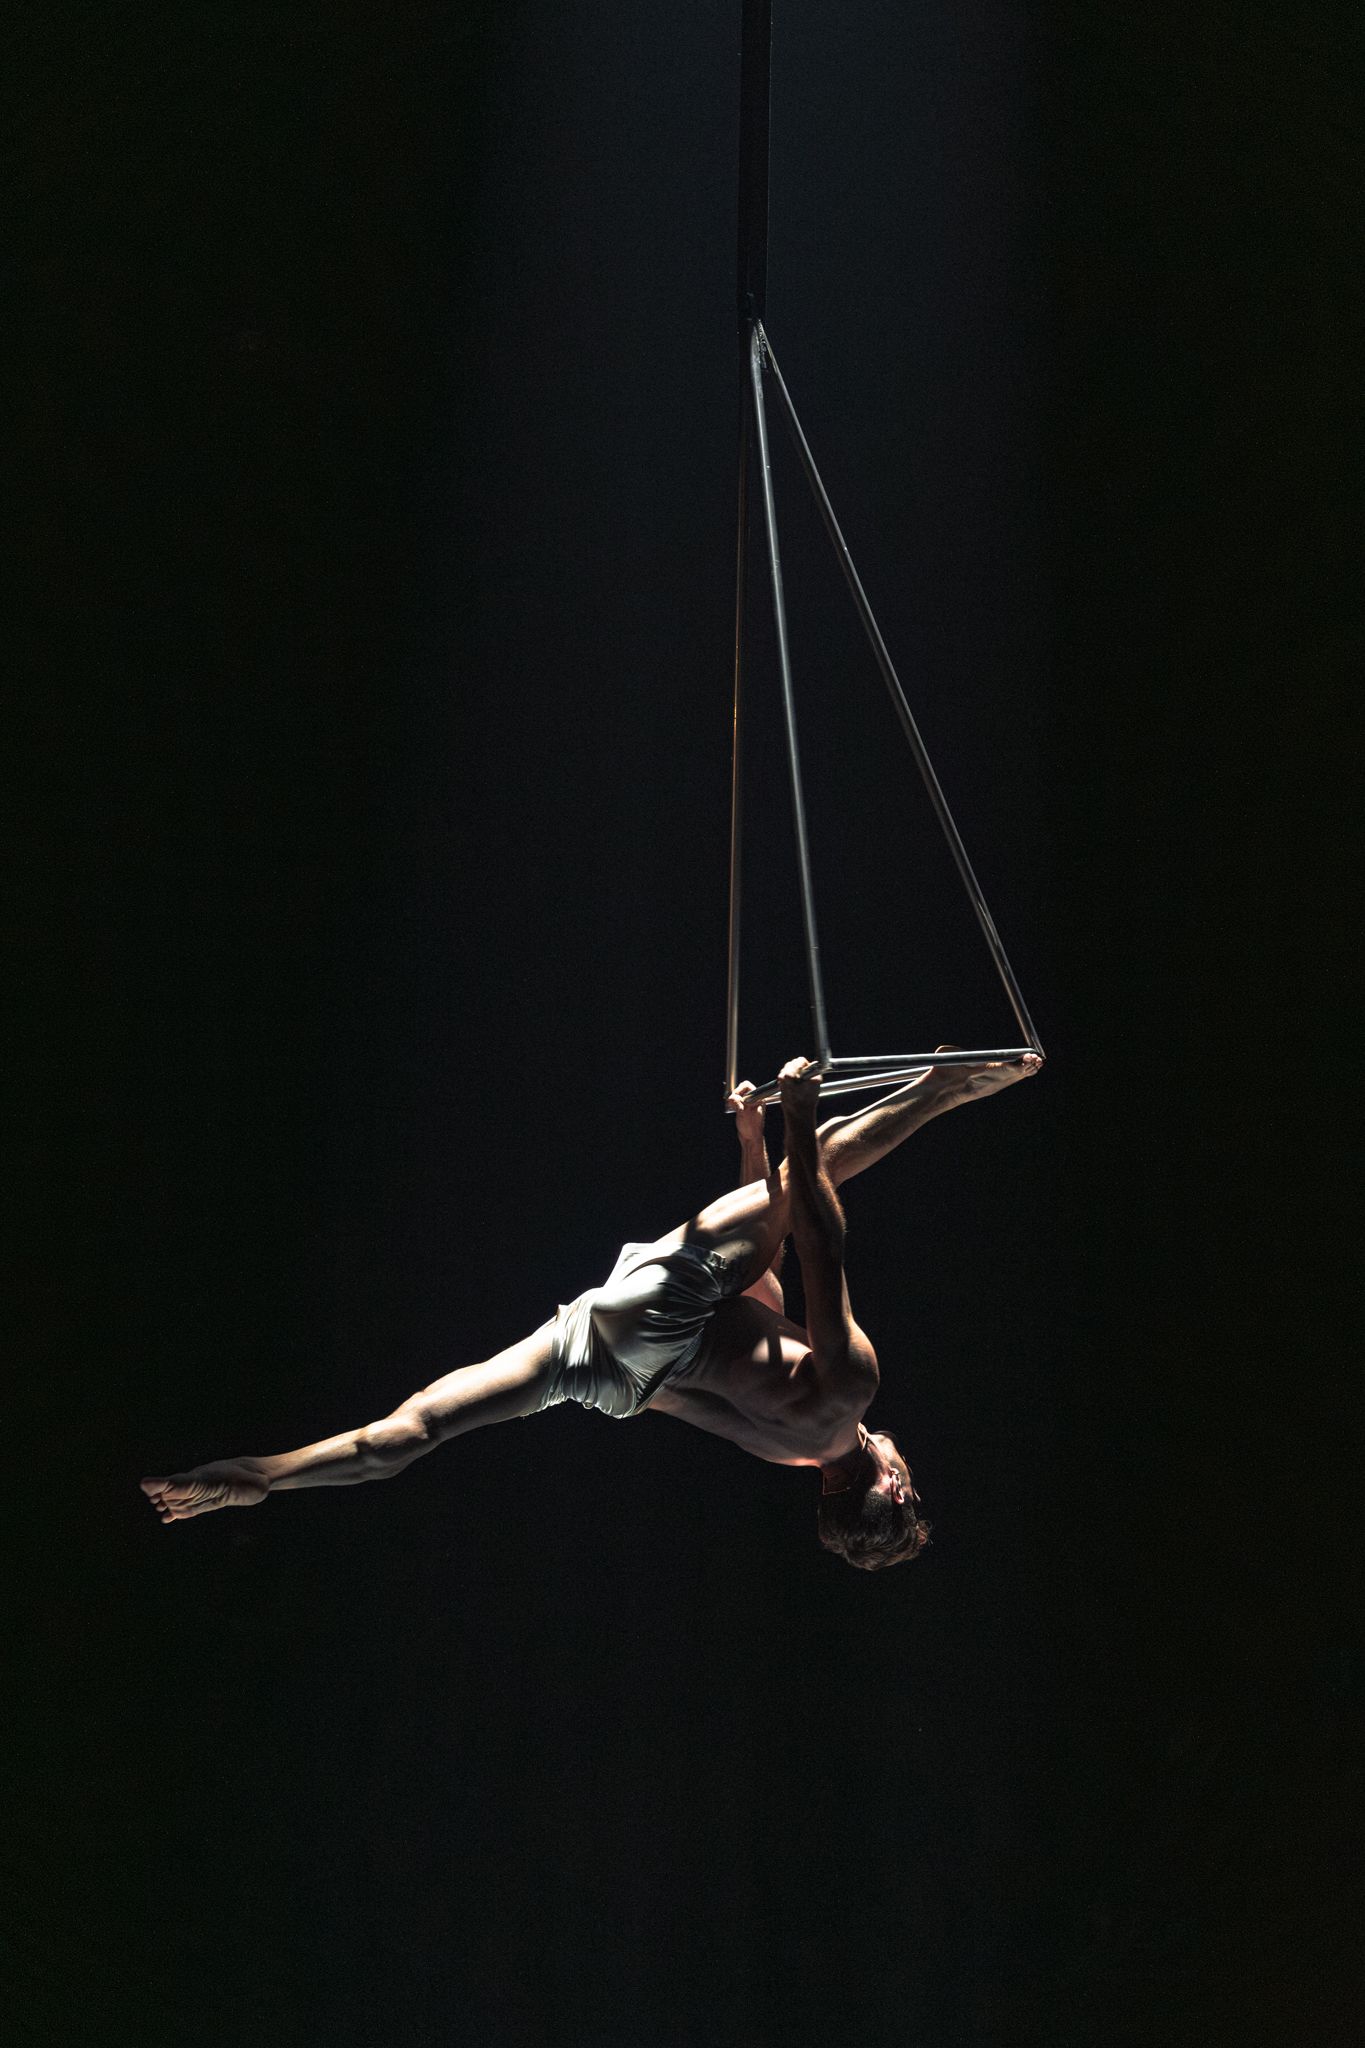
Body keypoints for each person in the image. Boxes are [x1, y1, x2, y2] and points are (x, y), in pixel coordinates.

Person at [142, 1049, 1041, 1569]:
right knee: (407, 1436)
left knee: (806, 1183)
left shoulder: (846, 1396)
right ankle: (260, 1476)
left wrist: (798, 1120)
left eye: (908, 1481)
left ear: (887, 1482)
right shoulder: (788, 1448)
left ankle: (946, 1088)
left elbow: (817, 1242)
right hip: (611, 1374)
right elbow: (751, 1287)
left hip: (655, 1328)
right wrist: (750, 1138)